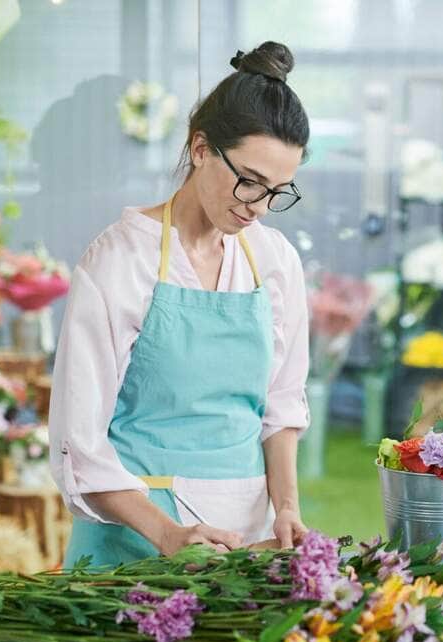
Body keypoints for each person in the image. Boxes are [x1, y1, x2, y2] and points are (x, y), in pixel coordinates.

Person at [49, 42, 312, 567]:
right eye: (249, 182)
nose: (258, 208)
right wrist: (168, 535)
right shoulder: (120, 260)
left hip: (242, 543)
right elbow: (78, 442)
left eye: (277, 191)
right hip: (135, 544)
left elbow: (281, 405)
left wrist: (286, 508)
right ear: (200, 149)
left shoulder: (274, 259)